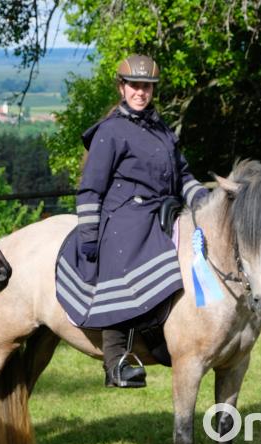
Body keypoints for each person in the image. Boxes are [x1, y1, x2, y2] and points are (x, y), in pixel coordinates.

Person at [54, 54, 208, 388]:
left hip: (163, 212)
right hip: (122, 217)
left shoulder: (162, 130)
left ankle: (165, 338)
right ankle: (117, 360)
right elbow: (90, 187)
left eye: (147, 87)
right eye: (135, 85)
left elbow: (183, 174)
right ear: (122, 87)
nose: (141, 92)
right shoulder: (109, 132)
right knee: (129, 255)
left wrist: (201, 198)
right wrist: (89, 233)